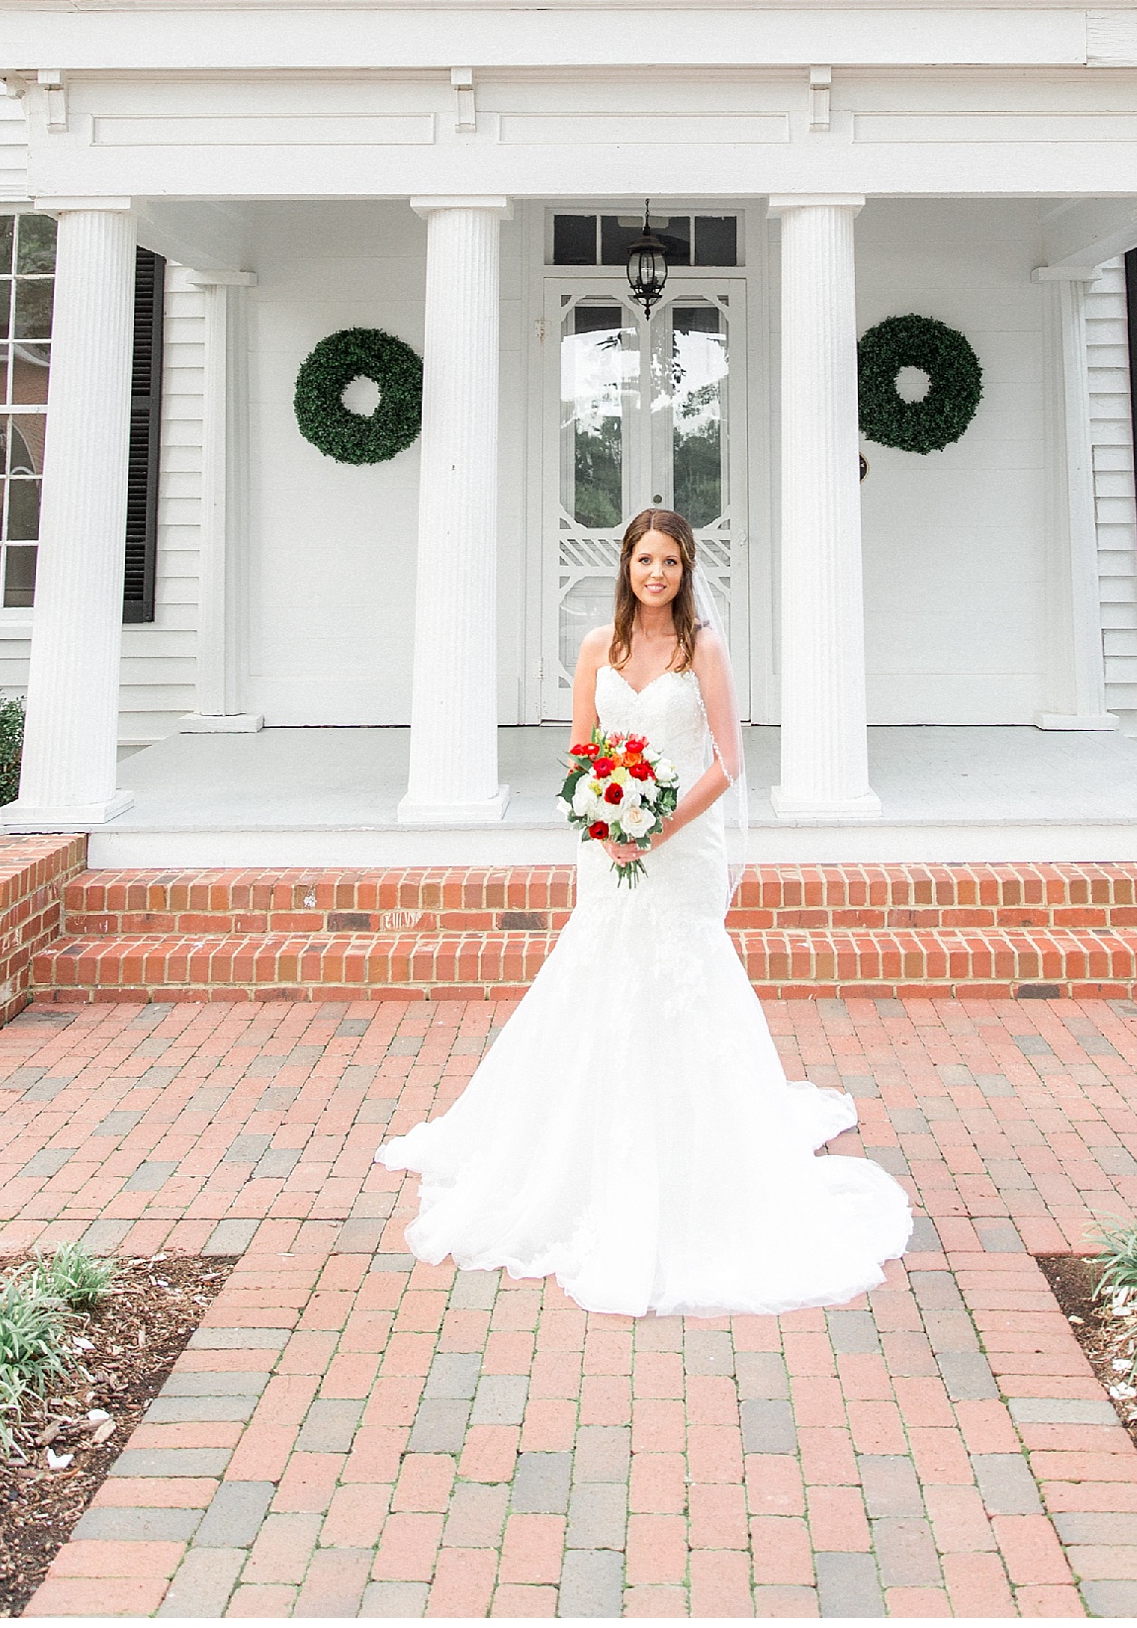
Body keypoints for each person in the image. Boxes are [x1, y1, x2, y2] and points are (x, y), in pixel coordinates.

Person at [374, 508, 911, 1316]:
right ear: (624, 566)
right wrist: (605, 822)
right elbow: (580, 753)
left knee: (681, 977)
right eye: (643, 560)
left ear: (686, 570)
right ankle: (579, 1149)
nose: (654, 573)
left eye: (668, 561)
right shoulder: (599, 648)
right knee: (600, 973)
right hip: (608, 849)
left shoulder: (703, 650)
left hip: (683, 848)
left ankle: (701, 1154)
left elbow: (729, 762)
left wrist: (656, 824)